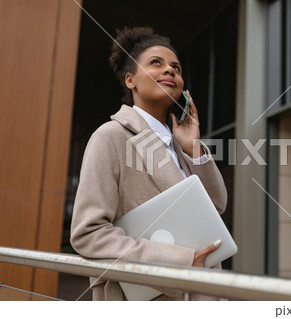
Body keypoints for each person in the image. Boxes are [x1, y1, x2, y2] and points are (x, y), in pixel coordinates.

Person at [70, 26, 228, 301]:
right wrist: (179, 261)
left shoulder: (181, 143)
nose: (170, 71)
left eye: (176, 68)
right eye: (157, 63)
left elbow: (216, 207)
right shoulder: (111, 136)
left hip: (201, 292)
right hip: (149, 296)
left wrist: (193, 149)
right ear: (130, 80)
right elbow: (89, 233)